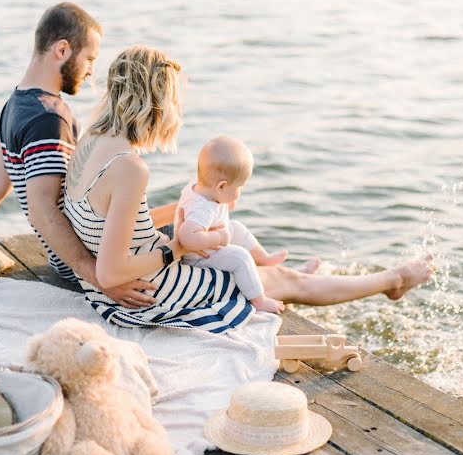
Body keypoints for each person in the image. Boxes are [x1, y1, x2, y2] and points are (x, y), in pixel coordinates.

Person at [62, 44, 434, 333]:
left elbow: (107, 226)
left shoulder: (91, 139)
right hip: (144, 296)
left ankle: (271, 270)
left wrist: (183, 215)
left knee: (226, 233)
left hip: (108, 291)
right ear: (157, 102)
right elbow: (112, 273)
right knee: (289, 281)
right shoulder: (129, 168)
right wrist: (174, 247)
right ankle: (393, 280)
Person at [0, 2, 173, 309]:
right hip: (84, 263)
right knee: (199, 235)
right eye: (89, 59)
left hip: (80, 253)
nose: (90, 72)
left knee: (183, 214)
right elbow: (42, 208)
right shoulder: (49, 119)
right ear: (62, 50)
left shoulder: (15, 104)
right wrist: (98, 279)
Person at [175, 135, 292, 315]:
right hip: (197, 258)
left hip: (206, 241)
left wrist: (225, 202)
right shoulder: (203, 208)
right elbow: (187, 237)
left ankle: (264, 258)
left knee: (236, 227)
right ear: (221, 186)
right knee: (240, 256)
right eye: (239, 187)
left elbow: (201, 207)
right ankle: (259, 301)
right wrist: (220, 237)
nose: (241, 192)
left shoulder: (201, 188)